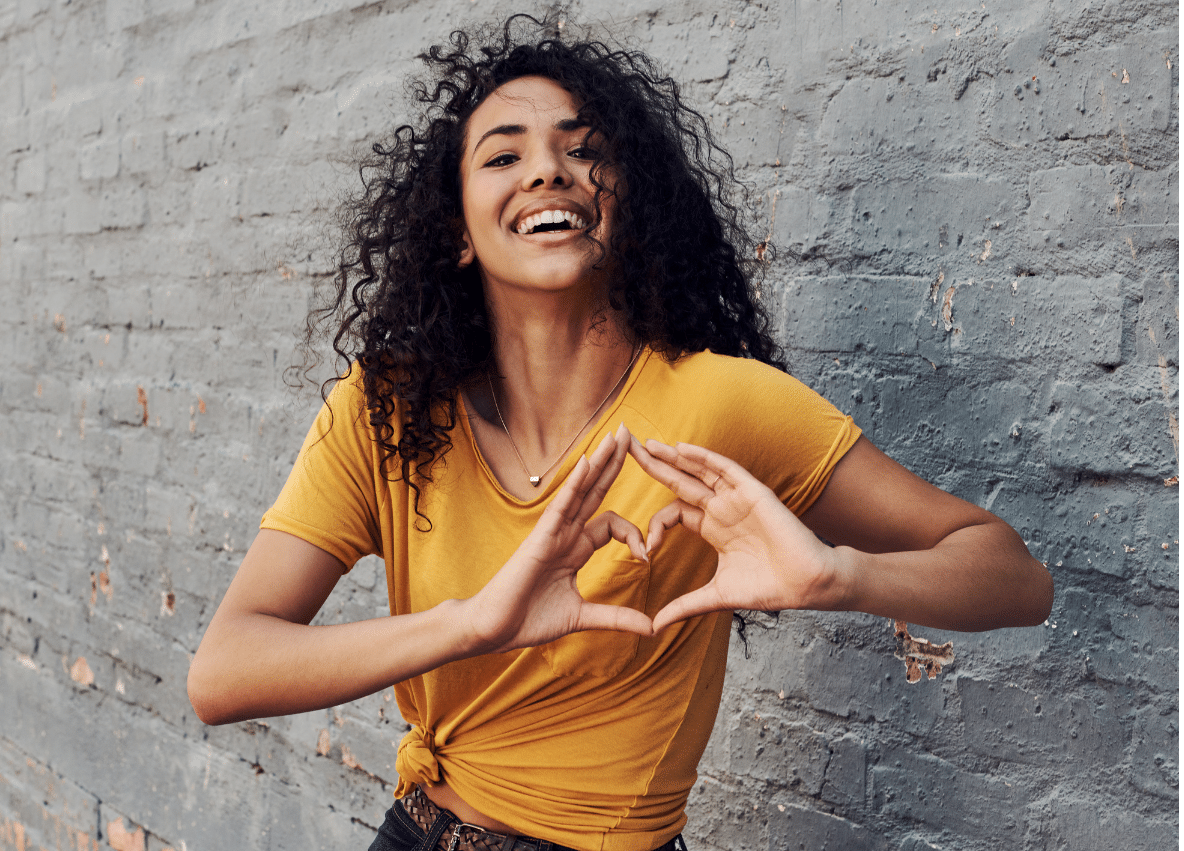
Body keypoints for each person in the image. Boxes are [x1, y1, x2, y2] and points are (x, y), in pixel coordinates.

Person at [187, 17, 1053, 851]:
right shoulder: (390, 409)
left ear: (626, 200)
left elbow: (1015, 579)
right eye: (503, 156)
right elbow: (224, 672)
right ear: (456, 229)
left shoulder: (724, 404)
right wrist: (475, 621)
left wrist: (842, 575)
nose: (547, 171)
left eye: (584, 149)